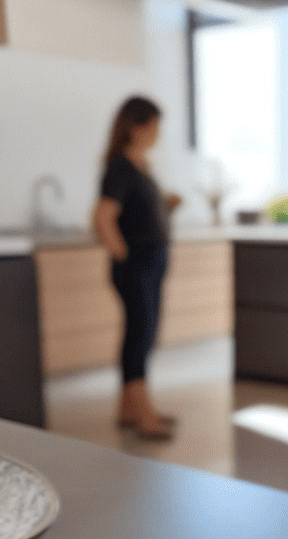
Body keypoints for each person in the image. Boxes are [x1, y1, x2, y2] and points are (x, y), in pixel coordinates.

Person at [92, 96, 181, 439]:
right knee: (140, 335)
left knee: (140, 332)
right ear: (136, 127)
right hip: (137, 266)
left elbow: (138, 215)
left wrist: (164, 208)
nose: (158, 133)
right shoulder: (120, 167)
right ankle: (144, 414)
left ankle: (127, 409)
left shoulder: (141, 167)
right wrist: (123, 255)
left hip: (151, 262)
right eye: (154, 126)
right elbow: (103, 218)